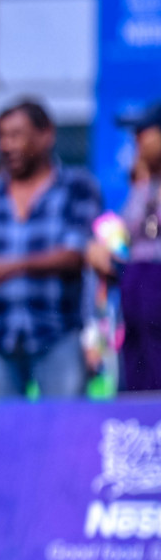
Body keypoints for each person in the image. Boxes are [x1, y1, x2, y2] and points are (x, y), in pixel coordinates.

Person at [0, 100, 101, 400]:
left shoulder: (77, 186)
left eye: (16, 135)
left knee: (64, 430)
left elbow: (76, 254)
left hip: (57, 334)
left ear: (46, 135)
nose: (7, 145)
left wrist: (10, 266)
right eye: (1, 136)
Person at [89, 102, 161, 390]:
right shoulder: (141, 189)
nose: (137, 141)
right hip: (136, 319)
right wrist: (98, 251)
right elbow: (121, 242)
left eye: (144, 132)